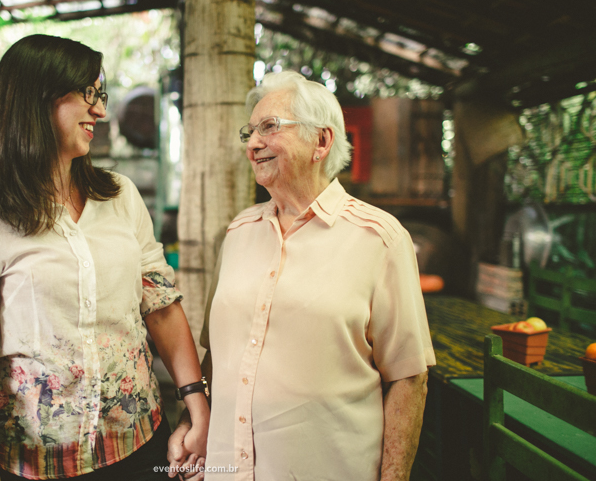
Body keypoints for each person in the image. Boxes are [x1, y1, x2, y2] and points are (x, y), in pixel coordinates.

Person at [0, 34, 209, 481]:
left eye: (100, 95)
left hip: (140, 446)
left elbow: (160, 303)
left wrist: (197, 402)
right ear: (37, 99)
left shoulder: (120, 196)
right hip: (34, 465)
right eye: (87, 94)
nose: (100, 110)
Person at [168, 71, 435, 481]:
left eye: (269, 127)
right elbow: (218, 357)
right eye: (250, 131)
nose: (252, 143)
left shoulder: (379, 238)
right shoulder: (239, 232)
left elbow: (409, 379)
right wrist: (194, 424)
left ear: (322, 141)